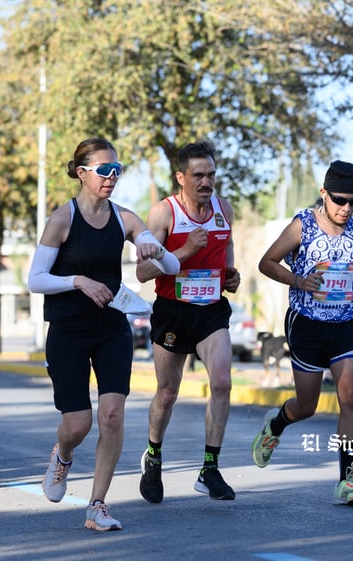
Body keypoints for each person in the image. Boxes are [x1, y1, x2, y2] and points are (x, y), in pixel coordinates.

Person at [27, 137, 179, 532]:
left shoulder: (124, 218)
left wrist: (151, 246)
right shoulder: (63, 219)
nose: (112, 177)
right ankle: (62, 455)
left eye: (118, 170)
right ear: (81, 173)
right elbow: (36, 279)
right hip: (68, 330)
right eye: (104, 170)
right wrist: (79, 281)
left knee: (111, 416)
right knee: (78, 424)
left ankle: (97, 505)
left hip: (111, 328)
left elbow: (173, 266)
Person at [250, 160, 353, 506]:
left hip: (346, 325)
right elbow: (267, 262)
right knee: (307, 405)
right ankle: (277, 424)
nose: (346, 208)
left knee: (351, 395)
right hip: (307, 326)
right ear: (323, 194)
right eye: (339, 200)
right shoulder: (302, 226)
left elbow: (350, 268)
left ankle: (347, 482)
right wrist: (299, 280)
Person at [135, 139, 242, 503]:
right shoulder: (163, 214)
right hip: (172, 309)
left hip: (211, 309)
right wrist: (184, 251)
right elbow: (143, 272)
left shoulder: (224, 210)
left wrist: (232, 277)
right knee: (167, 393)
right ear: (181, 177)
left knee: (223, 383)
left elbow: (227, 258)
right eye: (198, 175)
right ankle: (153, 456)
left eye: (211, 174)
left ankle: (209, 468)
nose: (206, 182)